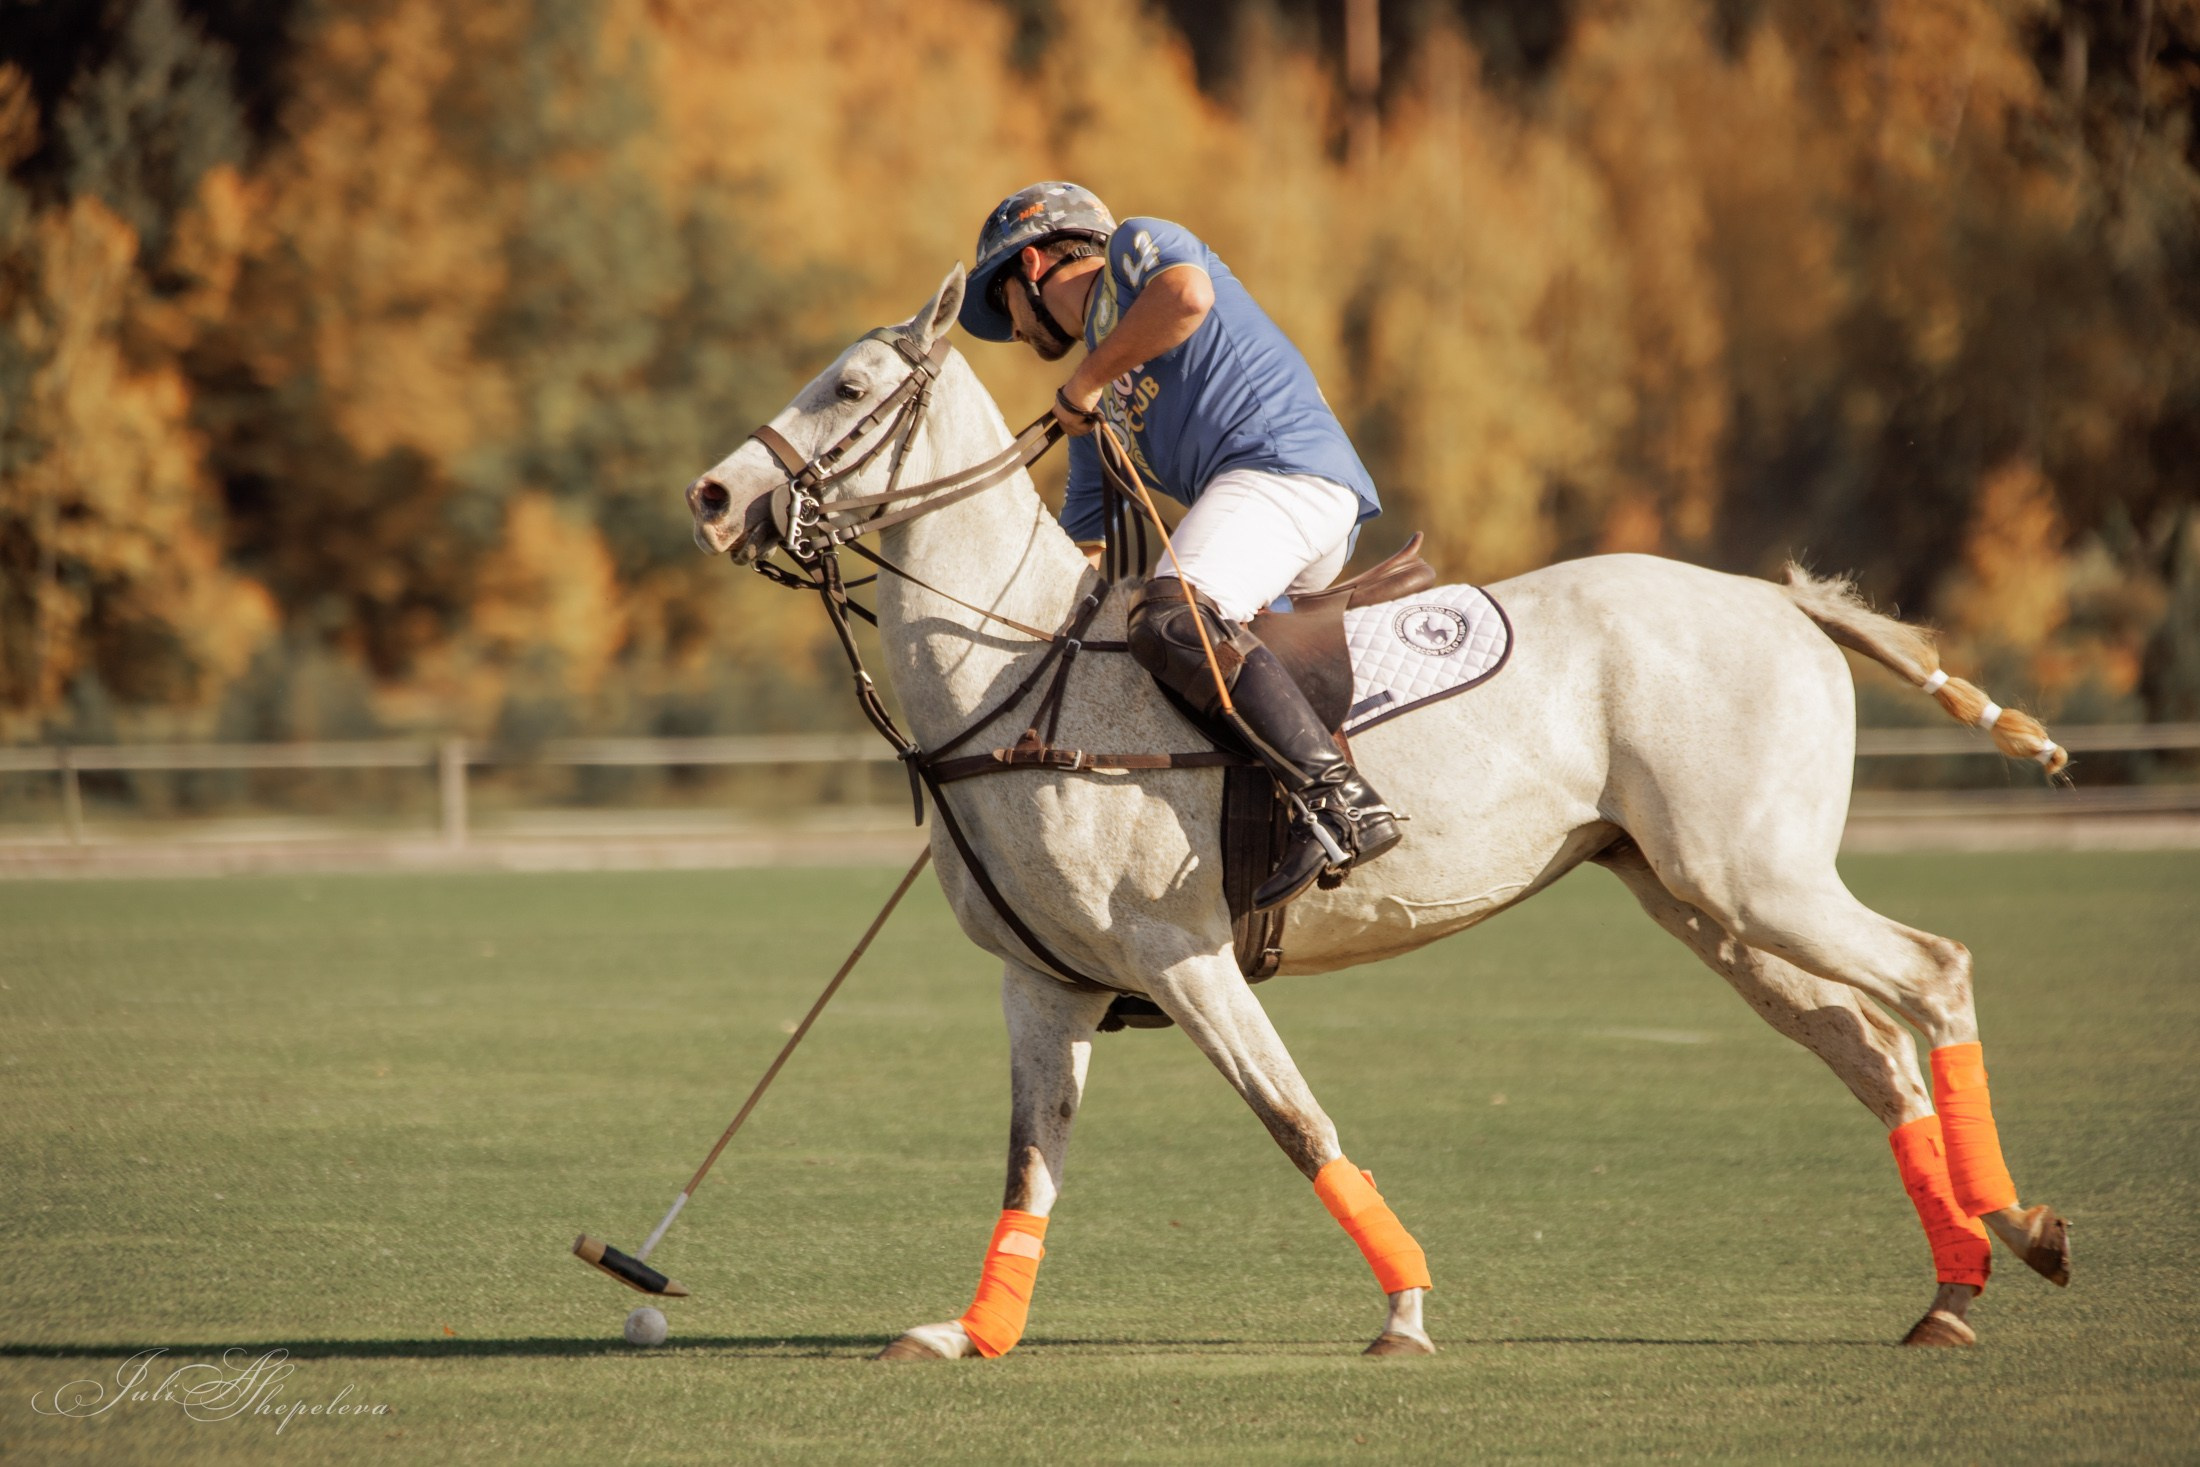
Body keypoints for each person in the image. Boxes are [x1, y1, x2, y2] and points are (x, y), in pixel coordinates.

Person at [958, 181, 1400, 911]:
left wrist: (1087, 382)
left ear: (1032, 265)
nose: (1010, 329)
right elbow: (1083, 535)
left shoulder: (1136, 246)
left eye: (1001, 298)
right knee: (1126, 653)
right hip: (1266, 506)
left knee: (1169, 615)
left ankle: (1341, 800)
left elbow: (1187, 297)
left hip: (1289, 474)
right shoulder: (1088, 399)